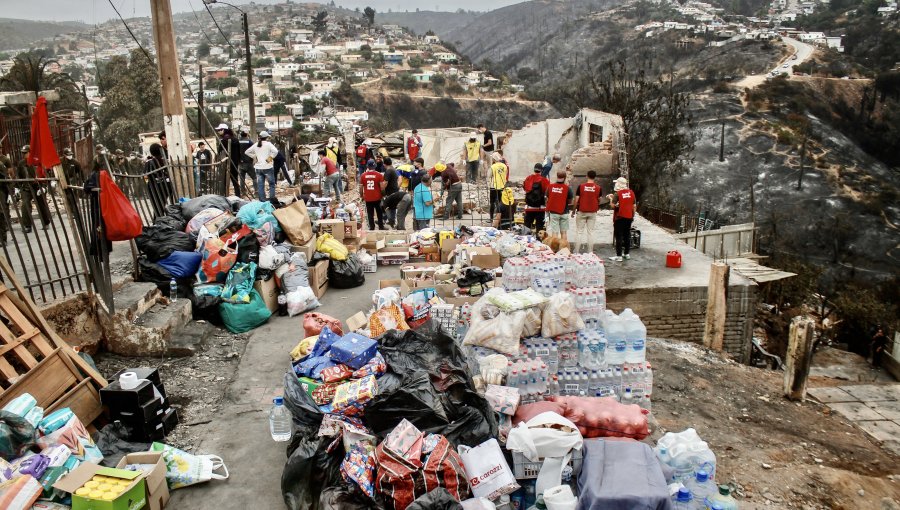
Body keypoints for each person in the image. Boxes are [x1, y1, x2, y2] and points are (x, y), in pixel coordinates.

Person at [16, 145, 53, 234]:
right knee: (25, 205)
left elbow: (44, 173)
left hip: (38, 186)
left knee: (41, 205)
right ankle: (27, 226)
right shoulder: (21, 163)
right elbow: (19, 176)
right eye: (23, 153)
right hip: (26, 187)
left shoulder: (38, 162)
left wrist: (44, 186)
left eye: (26, 153)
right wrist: (16, 188)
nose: (24, 155)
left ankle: (46, 222)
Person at [571, 170, 602, 254]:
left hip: (582, 211)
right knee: (590, 232)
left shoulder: (581, 186)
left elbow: (576, 199)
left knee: (579, 231)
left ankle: (576, 251)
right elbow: (599, 199)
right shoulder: (598, 188)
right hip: (592, 212)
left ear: (587, 176)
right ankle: (590, 252)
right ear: (595, 177)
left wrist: (573, 211)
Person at [245, 131, 279, 201]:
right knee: (271, 184)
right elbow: (275, 151)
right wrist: (270, 158)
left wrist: (254, 157)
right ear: (266, 138)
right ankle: (272, 200)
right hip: (268, 167)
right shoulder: (268, 144)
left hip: (258, 168)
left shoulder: (256, 144)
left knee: (260, 185)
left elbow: (247, 152)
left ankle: (262, 200)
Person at [608, 176, 635, 262]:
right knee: (627, 235)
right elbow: (634, 206)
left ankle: (618, 255)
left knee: (618, 236)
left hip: (619, 217)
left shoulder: (617, 194)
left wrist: (610, 198)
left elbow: (612, 205)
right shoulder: (631, 193)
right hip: (629, 217)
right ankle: (627, 254)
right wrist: (632, 215)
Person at [145, 143, 172, 218]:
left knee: (157, 208)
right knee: (162, 205)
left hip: (154, 187)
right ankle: (160, 220)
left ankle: (158, 222)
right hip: (166, 186)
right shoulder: (165, 161)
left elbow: (146, 175)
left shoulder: (149, 162)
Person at [545, 170, 573, 242]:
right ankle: (563, 248)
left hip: (554, 212)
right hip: (564, 212)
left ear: (557, 176)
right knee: (563, 232)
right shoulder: (568, 188)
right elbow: (570, 201)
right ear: (565, 178)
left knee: (555, 232)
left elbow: (547, 197)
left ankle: (555, 249)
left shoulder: (550, 187)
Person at [523, 163, 549, 233]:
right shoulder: (544, 180)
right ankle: (538, 241)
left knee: (527, 224)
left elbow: (525, 188)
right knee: (539, 226)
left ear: (534, 169)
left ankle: (524, 240)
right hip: (540, 207)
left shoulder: (528, 178)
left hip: (529, 206)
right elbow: (547, 192)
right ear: (541, 170)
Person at [360, 160, 385, 230]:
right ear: (375, 166)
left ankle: (372, 227)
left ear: (367, 166)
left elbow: (361, 187)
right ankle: (381, 226)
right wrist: (383, 195)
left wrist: (361, 196)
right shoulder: (379, 175)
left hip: (368, 198)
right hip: (377, 197)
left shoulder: (363, 175)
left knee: (370, 213)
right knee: (379, 213)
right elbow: (382, 187)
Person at [488, 152, 509, 221]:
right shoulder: (504, 166)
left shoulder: (493, 166)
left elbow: (489, 176)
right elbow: (505, 175)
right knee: (500, 203)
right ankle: (499, 218)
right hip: (502, 187)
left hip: (494, 187)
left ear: (494, 159)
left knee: (492, 203)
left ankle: (491, 218)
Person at [382, 157, 400, 227]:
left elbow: (386, 182)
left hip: (390, 191)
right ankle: (391, 220)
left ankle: (390, 220)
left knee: (388, 206)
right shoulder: (393, 170)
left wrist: (382, 190)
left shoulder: (388, 171)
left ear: (384, 164)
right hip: (394, 190)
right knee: (392, 207)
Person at [0, 154, 13, 245]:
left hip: (0, 190)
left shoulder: (1, 163)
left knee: (0, 213)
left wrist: (10, 193)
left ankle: (2, 239)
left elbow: (6, 177)